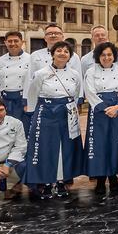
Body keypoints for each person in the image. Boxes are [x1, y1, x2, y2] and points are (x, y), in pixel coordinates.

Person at [23, 40, 83, 200]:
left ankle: (62, 181)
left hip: (66, 113)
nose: (62, 53)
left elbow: (76, 94)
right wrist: (33, 113)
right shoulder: (41, 73)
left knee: (65, 148)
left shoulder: (75, 75)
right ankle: (47, 182)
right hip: (46, 112)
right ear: (52, 54)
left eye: (66, 51)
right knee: (46, 148)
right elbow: (33, 94)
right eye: (59, 51)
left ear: (70, 56)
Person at [83, 42, 118, 196]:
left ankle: (114, 176)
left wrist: (117, 106)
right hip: (98, 111)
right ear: (98, 56)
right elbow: (89, 91)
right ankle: (101, 179)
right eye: (103, 55)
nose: (106, 57)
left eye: (109, 54)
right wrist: (104, 108)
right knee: (99, 145)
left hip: (117, 109)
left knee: (115, 143)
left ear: (114, 56)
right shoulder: (91, 71)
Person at [0, 31, 31, 128]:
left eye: (16, 41)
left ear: (22, 42)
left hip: (23, 102)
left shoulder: (31, 59)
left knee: (23, 129)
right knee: (5, 130)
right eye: (10, 41)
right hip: (5, 102)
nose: (12, 44)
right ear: (5, 43)